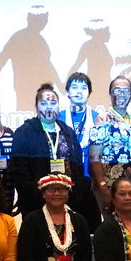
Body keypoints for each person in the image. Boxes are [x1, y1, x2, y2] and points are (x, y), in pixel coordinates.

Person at [9, 84, 89, 217]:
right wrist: (39, 195)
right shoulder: (24, 132)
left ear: (58, 106)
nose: (49, 107)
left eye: (53, 103)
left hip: (67, 202)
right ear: (36, 106)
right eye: (44, 103)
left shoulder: (68, 132)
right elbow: (18, 171)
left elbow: (78, 168)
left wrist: (73, 194)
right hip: (35, 205)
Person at [88, 75, 131, 219]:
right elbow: (94, 157)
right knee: (112, 230)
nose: (122, 94)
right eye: (118, 90)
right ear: (110, 93)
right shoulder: (103, 119)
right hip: (110, 187)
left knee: (130, 229)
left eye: (126, 91)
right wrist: (103, 188)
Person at [62, 72, 99, 170]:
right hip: (65, 172)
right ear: (67, 92)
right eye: (74, 87)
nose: (79, 91)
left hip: (91, 173)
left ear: (89, 93)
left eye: (83, 88)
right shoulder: (59, 117)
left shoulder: (97, 118)